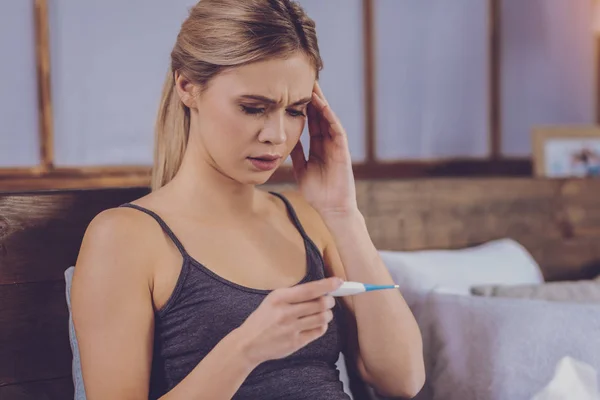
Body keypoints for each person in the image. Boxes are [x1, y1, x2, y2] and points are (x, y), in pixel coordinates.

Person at [70, 0, 425, 398]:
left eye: (295, 111)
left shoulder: (309, 220)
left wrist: (343, 213)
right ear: (188, 86)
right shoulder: (125, 238)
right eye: (253, 108)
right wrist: (245, 349)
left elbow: (404, 379)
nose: (276, 134)